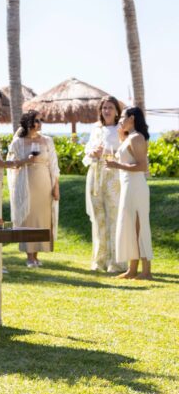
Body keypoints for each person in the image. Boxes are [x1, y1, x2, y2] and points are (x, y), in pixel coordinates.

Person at [7, 111, 60, 267]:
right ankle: (29, 256)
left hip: (44, 184)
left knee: (42, 219)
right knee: (28, 219)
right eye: (36, 120)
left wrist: (56, 187)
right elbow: (11, 165)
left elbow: (54, 165)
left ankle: (36, 255)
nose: (39, 123)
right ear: (28, 123)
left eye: (40, 120)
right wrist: (26, 161)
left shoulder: (47, 141)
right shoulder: (17, 143)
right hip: (25, 184)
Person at [106, 106, 153, 280]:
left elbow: (142, 166)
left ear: (132, 118)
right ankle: (132, 269)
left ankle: (147, 270)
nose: (120, 122)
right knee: (130, 225)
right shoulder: (128, 138)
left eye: (122, 118)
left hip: (136, 186)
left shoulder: (137, 138)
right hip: (127, 186)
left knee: (139, 226)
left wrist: (116, 165)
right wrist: (120, 138)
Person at [83, 96, 125, 272]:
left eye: (110, 107)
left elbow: (127, 150)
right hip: (96, 175)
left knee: (114, 217)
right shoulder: (96, 129)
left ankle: (115, 261)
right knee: (99, 219)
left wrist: (111, 153)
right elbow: (87, 150)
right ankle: (99, 260)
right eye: (104, 108)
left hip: (114, 176)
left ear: (117, 111)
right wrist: (92, 151)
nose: (106, 111)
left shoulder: (121, 129)